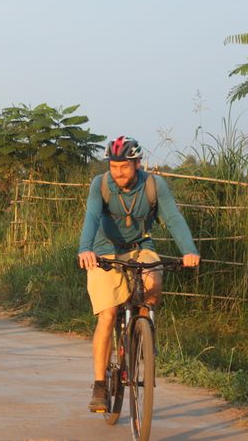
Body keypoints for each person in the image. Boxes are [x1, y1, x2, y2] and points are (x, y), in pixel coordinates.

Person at [77, 136, 200, 412]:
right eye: (114, 166)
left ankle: (143, 330)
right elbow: (92, 217)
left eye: (124, 166)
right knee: (108, 314)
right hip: (103, 251)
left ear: (137, 163)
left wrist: (189, 251)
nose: (118, 172)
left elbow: (173, 219)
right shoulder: (100, 184)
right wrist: (85, 249)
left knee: (153, 280)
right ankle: (99, 384)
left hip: (140, 247)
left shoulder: (154, 185)